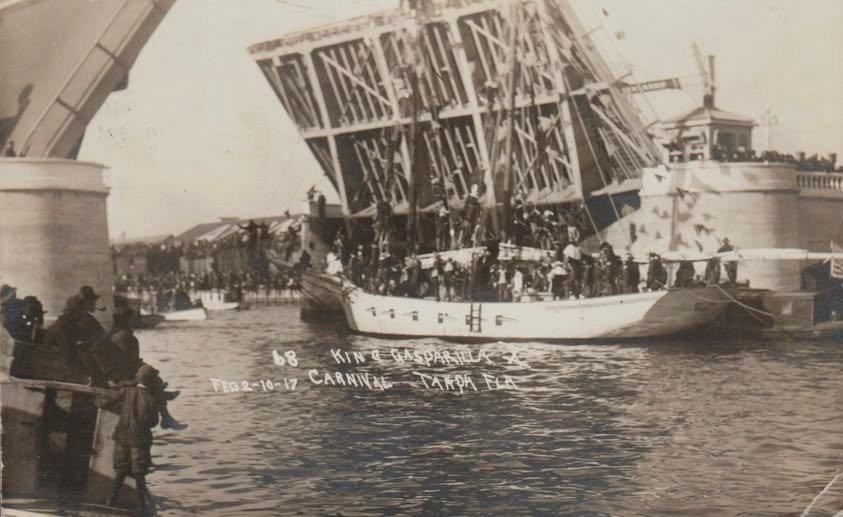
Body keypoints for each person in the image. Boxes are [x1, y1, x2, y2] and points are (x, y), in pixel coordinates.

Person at [100, 364, 159, 512]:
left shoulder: (126, 391)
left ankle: (111, 499)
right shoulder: (151, 398)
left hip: (122, 437)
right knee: (139, 472)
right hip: (139, 440)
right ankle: (142, 504)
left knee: (121, 469)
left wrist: (122, 410)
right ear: (150, 382)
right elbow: (153, 422)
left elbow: (104, 403)